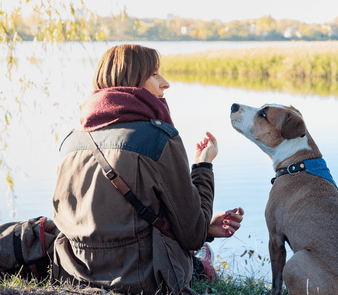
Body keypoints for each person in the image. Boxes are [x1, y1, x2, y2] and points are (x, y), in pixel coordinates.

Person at [51, 44, 244, 295]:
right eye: (154, 74)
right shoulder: (158, 139)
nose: (165, 83)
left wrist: (205, 225)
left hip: (75, 273)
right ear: (131, 80)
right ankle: (202, 266)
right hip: (143, 279)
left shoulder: (71, 140)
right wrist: (203, 166)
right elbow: (193, 235)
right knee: (197, 249)